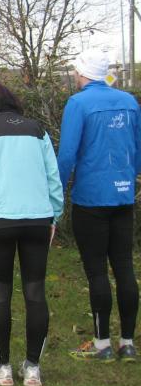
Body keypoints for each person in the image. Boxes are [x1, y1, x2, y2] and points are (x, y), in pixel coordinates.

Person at [0, 82, 63, 386]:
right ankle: (32, 368)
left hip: (0, 219)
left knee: (0, 293)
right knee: (35, 292)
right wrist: (54, 214)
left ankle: (3, 367)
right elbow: (53, 176)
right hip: (38, 219)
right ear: (13, 101)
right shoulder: (37, 129)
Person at [58, 49, 140, 362]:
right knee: (124, 266)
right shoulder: (129, 101)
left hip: (91, 198)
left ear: (82, 73)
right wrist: (128, 177)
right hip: (123, 196)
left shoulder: (78, 103)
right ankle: (127, 342)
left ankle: (102, 343)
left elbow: (67, 154)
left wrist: (57, 188)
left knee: (96, 272)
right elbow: (137, 148)